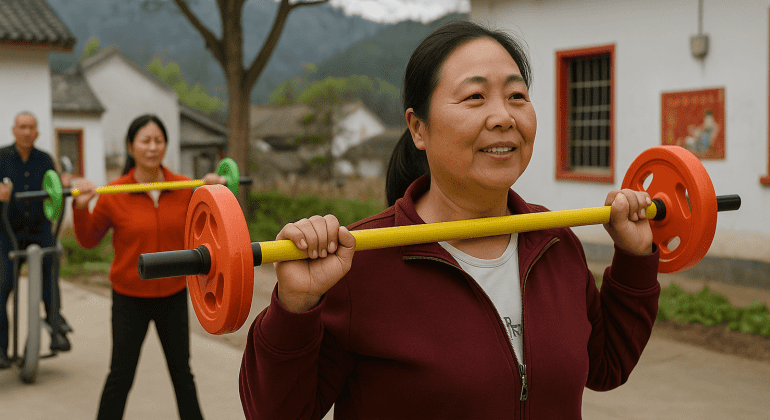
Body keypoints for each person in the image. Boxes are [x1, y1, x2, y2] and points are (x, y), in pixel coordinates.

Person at [239, 21, 660, 419]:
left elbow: (606, 366)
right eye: (475, 97)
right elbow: (276, 413)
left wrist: (635, 257)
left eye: (517, 96)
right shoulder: (358, 263)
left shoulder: (554, 241)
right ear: (418, 128)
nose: (503, 117)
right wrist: (295, 308)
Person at [72, 114, 224, 419]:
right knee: (121, 376)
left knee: (183, 374)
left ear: (166, 145)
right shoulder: (113, 194)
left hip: (173, 294)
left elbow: (212, 231)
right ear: (131, 146)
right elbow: (88, 240)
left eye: (159, 140)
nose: (153, 147)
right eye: (145, 141)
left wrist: (216, 191)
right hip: (129, 298)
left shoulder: (186, 188)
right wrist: (79, 207)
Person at [0, 112, 72, 369]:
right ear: (14, 130)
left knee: (49, 269)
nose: (27, 132)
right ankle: (0, 349)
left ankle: (56, 328)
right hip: (7, 230)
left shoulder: (45, 159)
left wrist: (63, 185)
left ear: (37, 132)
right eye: (22, 127)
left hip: (39, 229)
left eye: (31, 127)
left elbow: (55, 190)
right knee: (2, 283)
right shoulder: (1, 157)